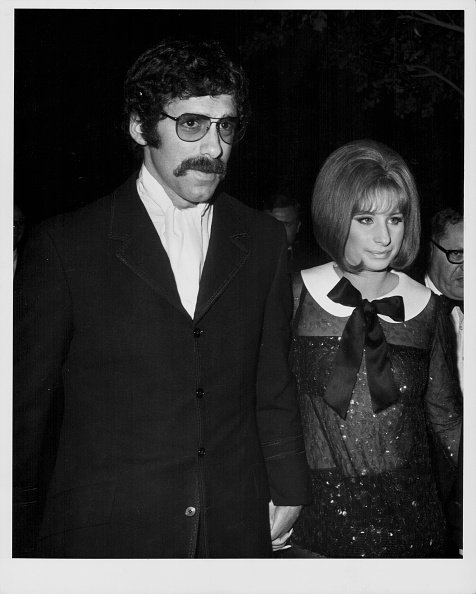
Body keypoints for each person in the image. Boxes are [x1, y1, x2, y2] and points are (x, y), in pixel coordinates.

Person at [13, 38, 310, 559]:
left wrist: (288, 488)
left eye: (226, 126)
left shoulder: (263, 241)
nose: (214, 148)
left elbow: (273, 383)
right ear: (139, 126)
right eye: (192, 124)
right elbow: (23, 413)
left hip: (235, 526)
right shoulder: (65, 245)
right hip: (106, 533)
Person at [288, 139, 462, 557]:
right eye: (366, 218)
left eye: (396, 218)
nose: (385, 237)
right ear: (335, 214)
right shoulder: (294, 293)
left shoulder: (427, 308)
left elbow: (444, 420)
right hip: (317, 524)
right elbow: (263, 405)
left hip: (413, 525)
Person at [425, 208, 464, 556]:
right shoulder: (400, 310)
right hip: (426, 497)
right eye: (457, 254)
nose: (468, 269)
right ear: (430, 248)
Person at [264, 193, 324, 272]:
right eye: (273, 224)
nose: (279, 231)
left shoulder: (314, 265)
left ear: (298, 226)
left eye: (286, 224)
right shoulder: (247, 259)